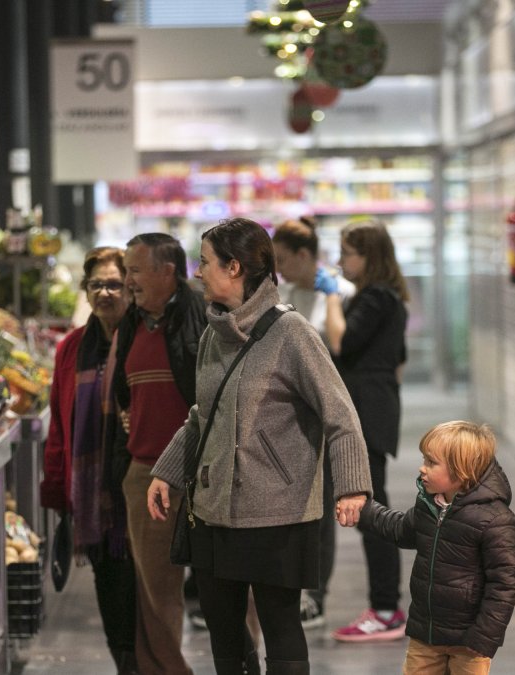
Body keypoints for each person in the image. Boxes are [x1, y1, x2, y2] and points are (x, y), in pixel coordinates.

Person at [146, 217, 373, 675]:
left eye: (205, 262)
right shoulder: (214, 332)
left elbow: (341, 415)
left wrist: (353, 488)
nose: (197, 272)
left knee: (281, 632)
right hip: (213, 509)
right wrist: (166, 471)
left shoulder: (293, 334)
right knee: (225, 638)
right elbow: (201, 416)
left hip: (278, 512)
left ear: (234, 268)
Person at [109, 232, 207, 675]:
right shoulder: (132, 321)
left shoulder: (205, 316)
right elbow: (122, 391)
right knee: (154, 593)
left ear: (167, 272)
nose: (126, 280)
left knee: (228, 586)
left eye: (133, 270)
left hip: (203, 472)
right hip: (145, 472)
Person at [352, 421, 515, 675]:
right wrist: (363, 510)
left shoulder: (495, 520)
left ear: (461, 470)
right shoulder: (429, 506)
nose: (422, 468)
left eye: (431, 462)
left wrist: (485, 636)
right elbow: (399, 529)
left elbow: (504, 584)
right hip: (425, 635)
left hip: (468, 641)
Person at [39, 247, 138, 673]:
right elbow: (59, 426)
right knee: (112, 596)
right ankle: (125, 664)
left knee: (143, 600)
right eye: (96, 284)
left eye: (114, 284)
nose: (105, 293)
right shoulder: (72, 348)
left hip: (138, 491)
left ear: (131, 289)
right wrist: (59, 490)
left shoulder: (145, 341)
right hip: (93, 499)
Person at [324, 219, 412, 642]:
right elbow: (399, 359)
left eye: (347, 253)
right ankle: (385, 606)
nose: (341, 261)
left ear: (368, 255)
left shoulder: (375, 297)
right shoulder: (387, 298)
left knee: (369, 509)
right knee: (369, 507)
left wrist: (330, 297)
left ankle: (385, 608)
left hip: (365, 410)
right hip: (373, 407)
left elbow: (341, 342)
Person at [271, 216, 355, 629]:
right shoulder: (280, 295)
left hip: (325, 412)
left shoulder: (340, 294)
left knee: (322, 506)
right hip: (286, 414)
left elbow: (345, 351)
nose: (279, 268)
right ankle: (291, 586)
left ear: (305, 255)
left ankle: (316, 594)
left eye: (284, 259)